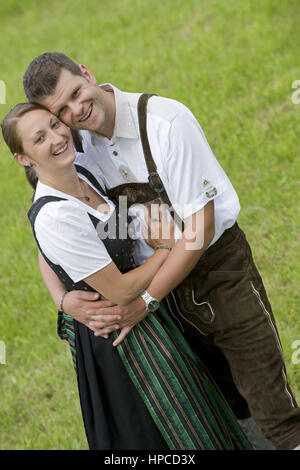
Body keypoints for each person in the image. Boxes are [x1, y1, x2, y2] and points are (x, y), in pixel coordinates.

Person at [21, 52, 300, 450]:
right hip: (163, 300)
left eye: (77, 93)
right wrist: (64, 299)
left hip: (218, 275)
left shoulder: (166, 123)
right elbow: (50, 225)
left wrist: (147, 300)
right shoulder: (72, 148)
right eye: (60, 111)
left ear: (88, 74)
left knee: (270, 402)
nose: (75, 111)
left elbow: (200, 229)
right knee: (221, 406)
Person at [1, 102, 254, 450]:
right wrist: (167, 249)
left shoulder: (80, 175)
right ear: (24, 158)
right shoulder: (56, 215)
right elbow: (120, 291)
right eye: (39, 138)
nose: (58, 137)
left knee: (196, 414)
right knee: (160, 431)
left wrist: (61, 297)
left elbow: (95, 240)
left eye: (55, 125)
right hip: (116, 335)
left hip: (145, 315)